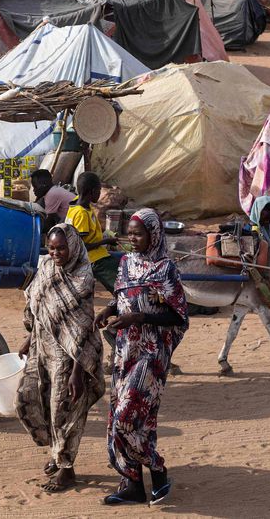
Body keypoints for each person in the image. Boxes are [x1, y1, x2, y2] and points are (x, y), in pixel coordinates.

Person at [95, 209, 188, 505]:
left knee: (126, 418)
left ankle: (158, 470)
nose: (132, 239)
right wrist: (110, 309)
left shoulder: (166, 268)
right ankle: (133, 485)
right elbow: (123, 295)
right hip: (125, 351)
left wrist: (138, 317)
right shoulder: (125, 262)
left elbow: (178, 316)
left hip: (151, 353)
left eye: (139, 234)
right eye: (130, 233)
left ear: (153, 234)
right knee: (136, 420)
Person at [15, 224, 105, 494]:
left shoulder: (82, 278)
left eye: (61, 248)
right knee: (30, 399)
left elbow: (83, 327)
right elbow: (38, 303)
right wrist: (30, 338)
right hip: (42, 348)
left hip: (69, 357)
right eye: (52, 247)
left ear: (74, 247)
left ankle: (67, 468)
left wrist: (78, 371)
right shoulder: (46, 268)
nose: (55, 253)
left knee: (63, 411)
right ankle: (57, 453)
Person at [66, 172, 119, 293]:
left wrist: (104, 235)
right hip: (93, 259)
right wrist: (105, 241)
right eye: (99, 191)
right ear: (92, 191)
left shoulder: (78, 204)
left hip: (98, 254)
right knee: (119, 282)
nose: (100, 194)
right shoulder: (81, 214)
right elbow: (81, 246)